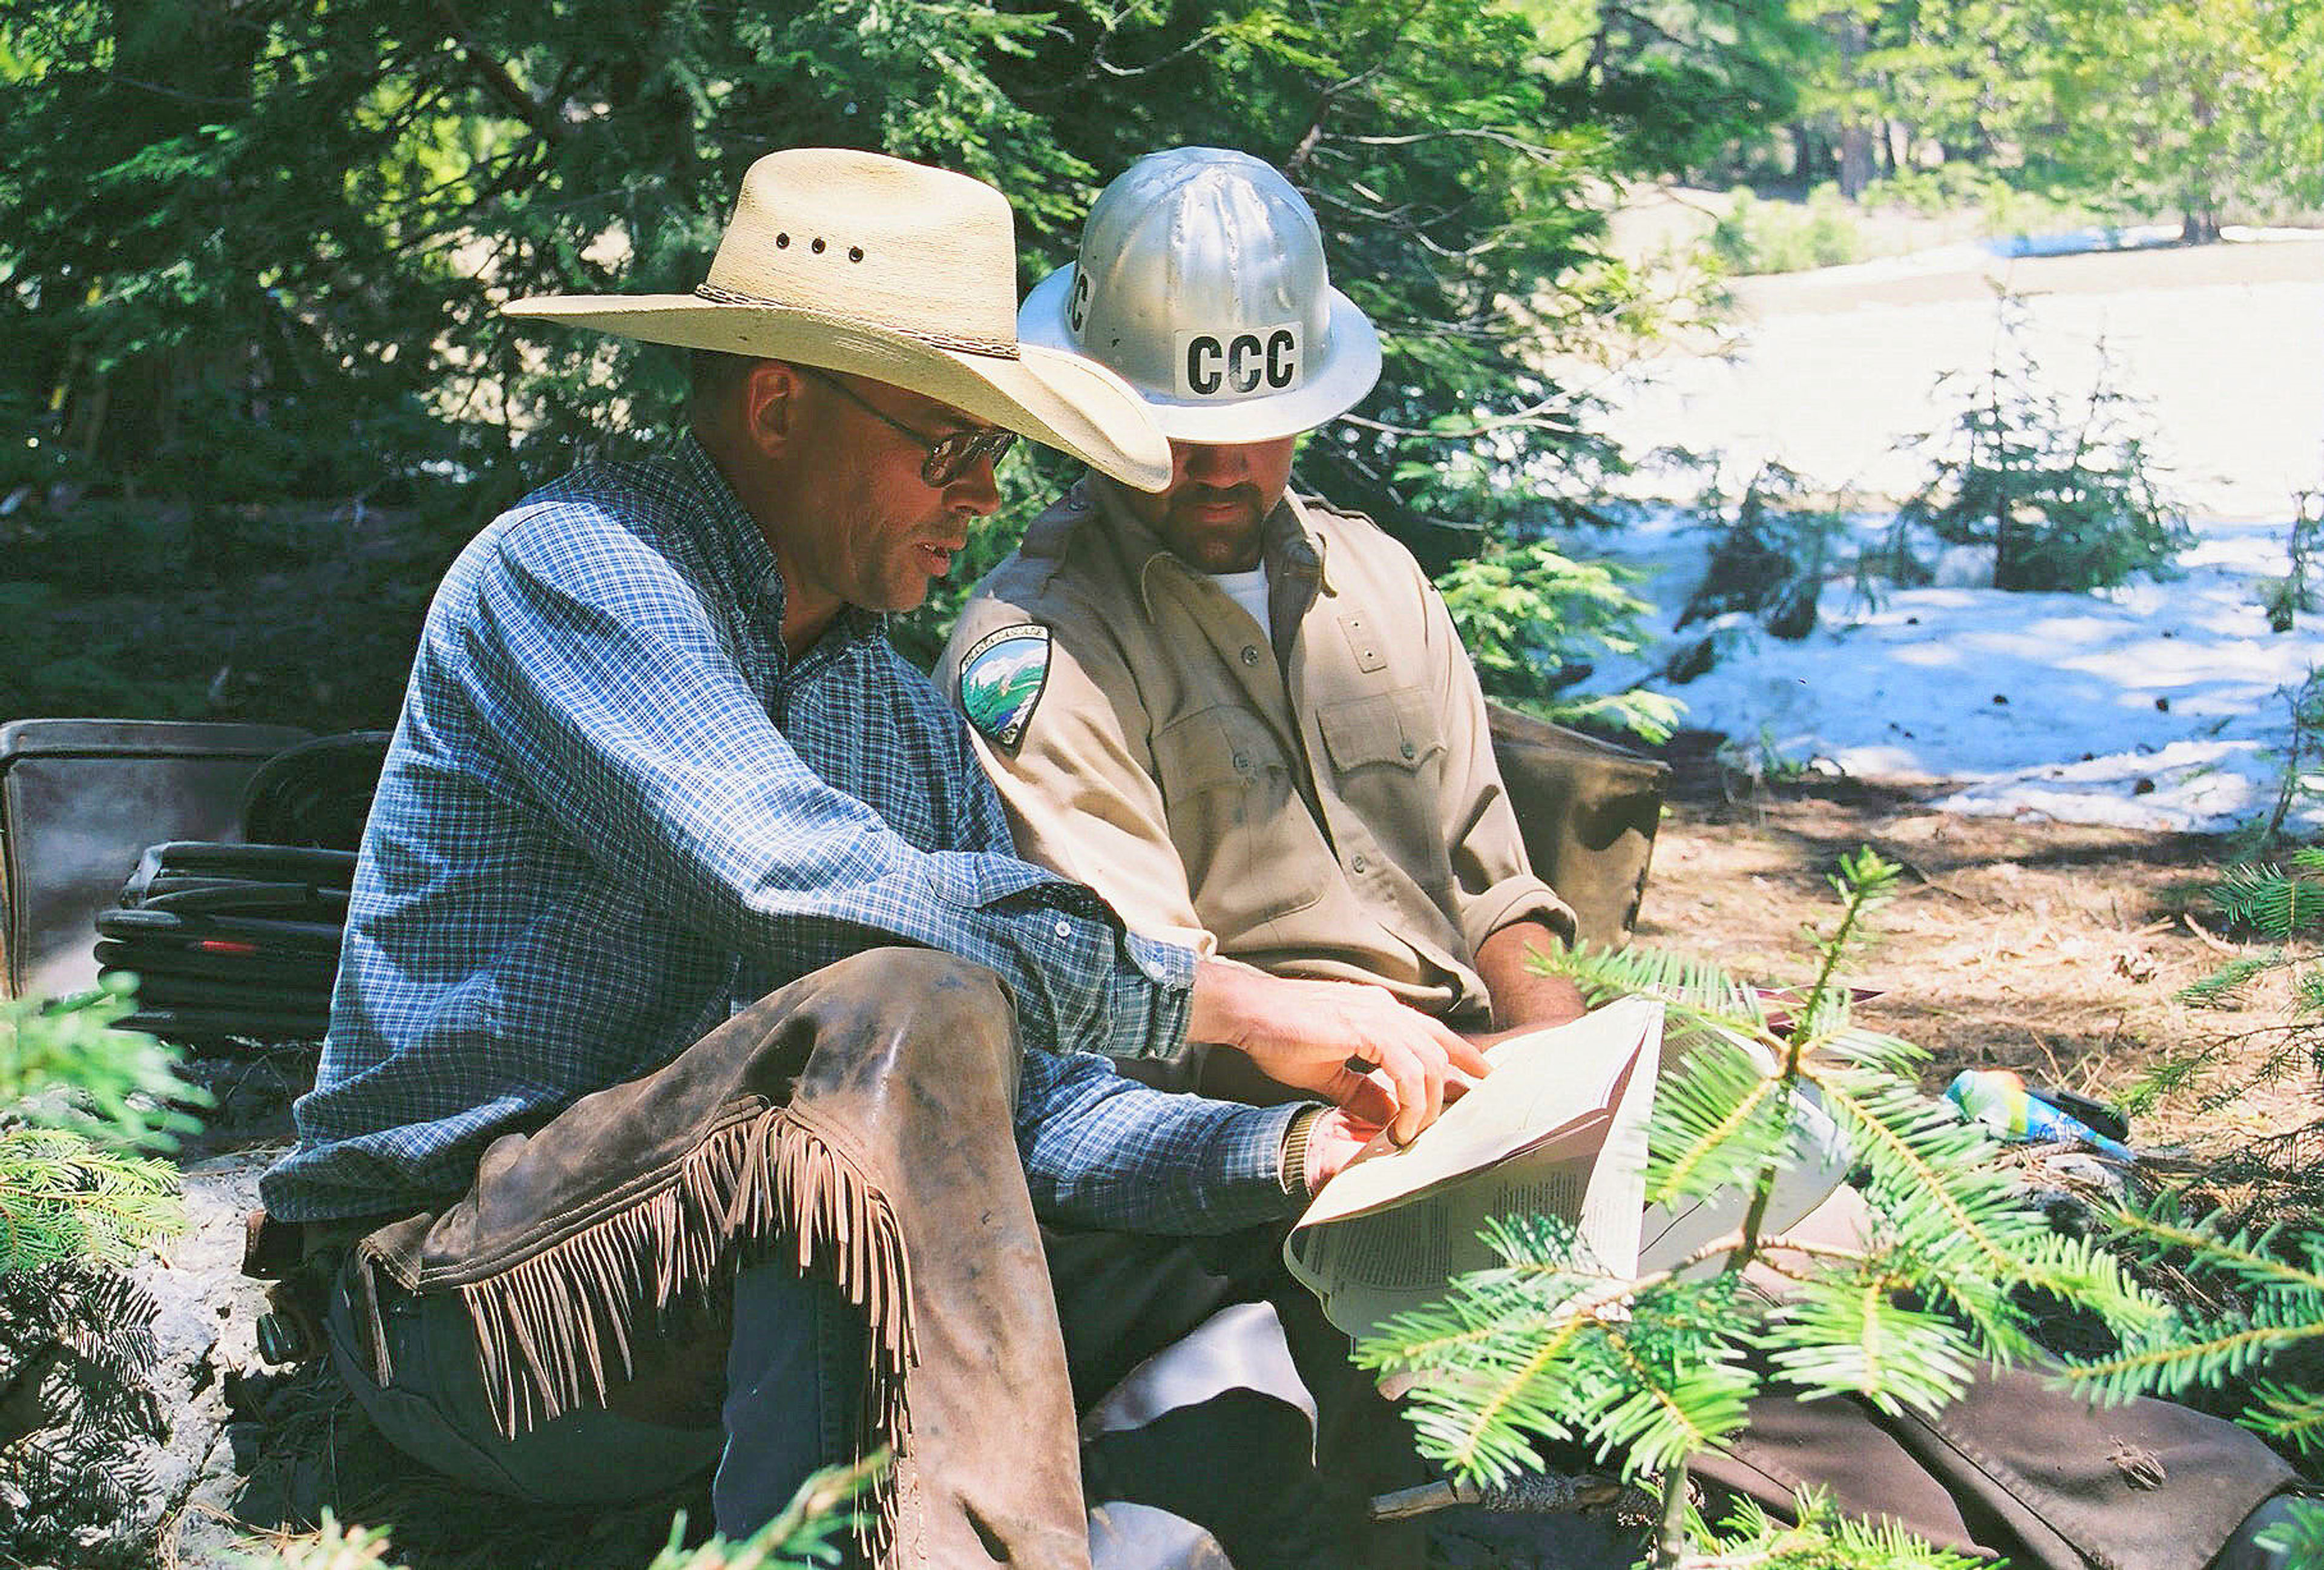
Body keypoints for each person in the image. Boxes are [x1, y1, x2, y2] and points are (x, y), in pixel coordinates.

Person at [939, 146, 2304, 1570]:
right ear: (1088, 401)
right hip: (1297, 1168)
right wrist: (1407, 1115)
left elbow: (1498, 892)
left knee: (1798, 1247)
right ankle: (2140, 1523)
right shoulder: (1038, 657)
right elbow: (1143, 998)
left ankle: (2214, 1499)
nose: (1225, 466)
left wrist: (1566, 1079)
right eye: (1177, 427)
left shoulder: (1374, 583)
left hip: (1493, 1098)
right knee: (1659, 1365)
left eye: (1262, 424)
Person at [255, 146, 1488, 1570]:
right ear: (779, 402)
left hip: (730, 1277)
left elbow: (1034, 1108)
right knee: (902, 999)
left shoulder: (894, 709)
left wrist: (1284, 1149)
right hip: (460, 1295)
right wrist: (1237, 1005)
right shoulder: (575, 569)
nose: (978, 494)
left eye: (997, 452)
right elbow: (793, 884)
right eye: (945, 443)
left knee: (1223, 1302)